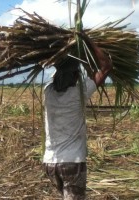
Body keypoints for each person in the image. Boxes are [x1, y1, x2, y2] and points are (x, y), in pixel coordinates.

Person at [43, 35, 113, 200]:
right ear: (75, 76)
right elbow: (106, 66)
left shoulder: (48, 92)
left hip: (50, 163)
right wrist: (87, 41)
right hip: (72, 163)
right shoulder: (78, 94)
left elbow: (60, 74)